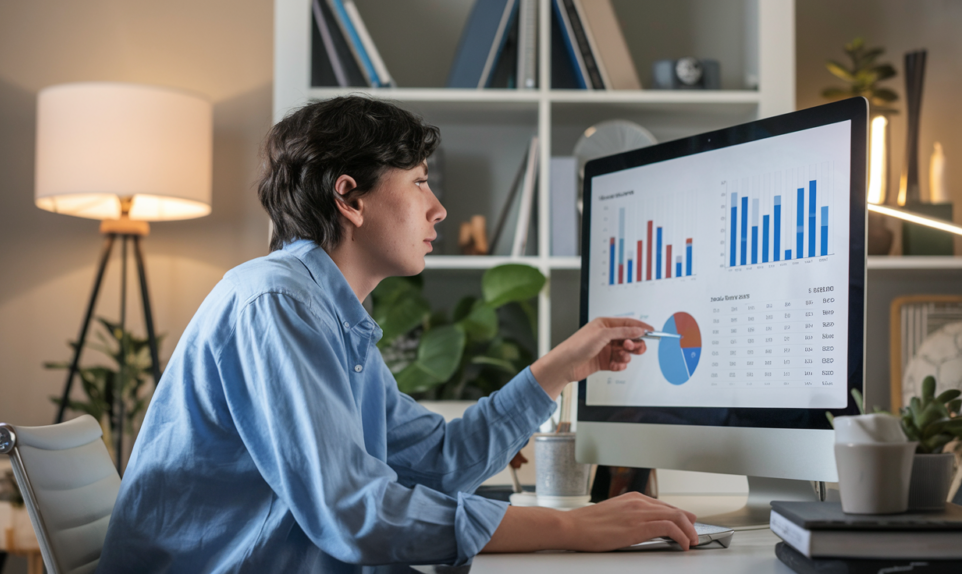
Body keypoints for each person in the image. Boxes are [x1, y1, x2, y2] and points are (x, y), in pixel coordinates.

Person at [97, 96, 698, 573]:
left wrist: (559, 369)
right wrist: (576, 528)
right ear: (350, 198)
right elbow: (355, 514)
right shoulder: (278, 304)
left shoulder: (330, 314)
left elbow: (437, 463)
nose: (438, 209)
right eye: (418, 182)